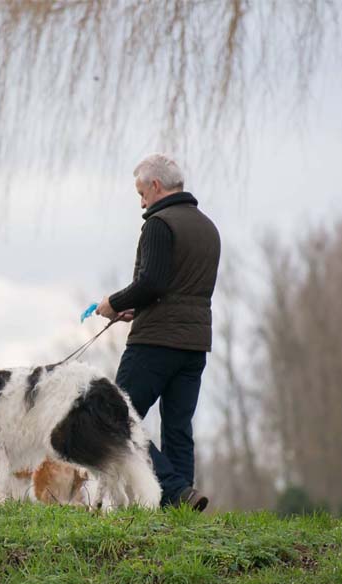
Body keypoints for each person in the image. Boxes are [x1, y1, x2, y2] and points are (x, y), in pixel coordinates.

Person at [96, 153, 220, 511]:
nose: (141, 203)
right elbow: (179, 287)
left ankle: (173, 490)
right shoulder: (208, 227)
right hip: (195, 344)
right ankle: (183, 505)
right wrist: (139, 307)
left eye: (141, 193)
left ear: (155, 185)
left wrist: (114, 303)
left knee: (114, 415)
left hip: (155, 342)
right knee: (178, 427)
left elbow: (152, 282)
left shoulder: (159, 224)